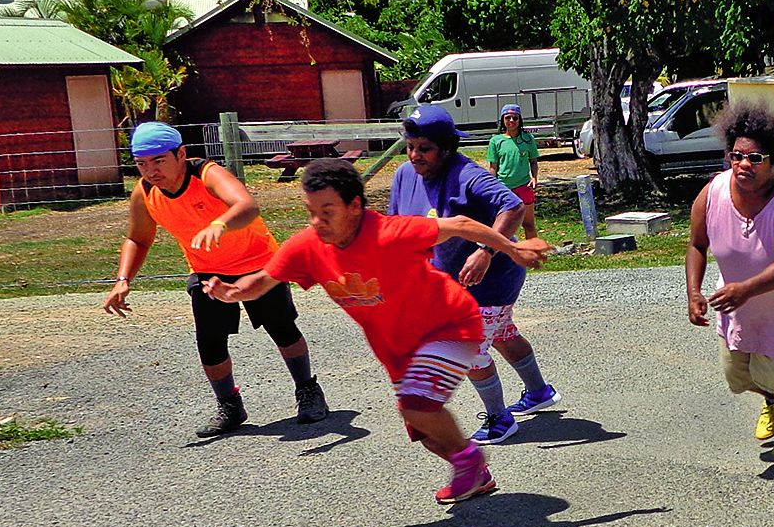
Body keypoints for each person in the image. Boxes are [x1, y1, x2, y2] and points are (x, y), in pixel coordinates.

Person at [208, 158, 550, 504]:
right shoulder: (307, 247)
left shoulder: (389, 233)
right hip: (396, 348)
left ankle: (470, 459)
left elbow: (461, 224)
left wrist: (512, 248)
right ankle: (476, 475)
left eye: (327, 212)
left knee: (417, 407)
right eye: (310, 211)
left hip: (447, 325)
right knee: (426, 432)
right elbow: (264, 279)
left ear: (354, 206)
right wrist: (234, 292)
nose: (316, 222)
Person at [103, 120, 327, 436]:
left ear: (181, 154)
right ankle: (229, 406)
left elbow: (247, 206)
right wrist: (123, 279)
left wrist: (219, 224)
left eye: (159, 161)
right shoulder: (145, 192)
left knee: (282, 328)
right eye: (141, 164)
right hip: (207, 272)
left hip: (258, 263)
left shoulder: (207, 174)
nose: (151, 171)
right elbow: (137, 239)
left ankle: (308, 390)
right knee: (209, 342)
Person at [388, 104, 562, 446]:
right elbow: (397, 226)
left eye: (424, 148)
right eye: (410, 146)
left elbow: (513, 206)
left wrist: (485, 251)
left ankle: (499, 419)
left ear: (446, 148)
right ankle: (539, 392)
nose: (415, 155)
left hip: (492, 278)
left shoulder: (467, 175)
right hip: (449, 281)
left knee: (468, 349)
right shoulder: (405, 176)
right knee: (502, 333)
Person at [684, 105, 774, 471]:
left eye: (755, 158)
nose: (743, 164)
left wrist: (745, 289)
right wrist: (694, 292)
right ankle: (771, 401)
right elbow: (697, 244)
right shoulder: (713, 192)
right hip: (737, 306)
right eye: (736, 156)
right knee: (737, 377)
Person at [486, 103, 541, 239]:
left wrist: (534, 178)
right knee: (503, 227)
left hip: (524, 186)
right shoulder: (495, 141)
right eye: (508, 118)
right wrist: (492, 186)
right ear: (503, 120)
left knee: (529, 225)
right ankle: (505, 252)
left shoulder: (528, 139)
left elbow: (533, 161)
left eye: (515, 118)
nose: (511, 121)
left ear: (519, 120)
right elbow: (493, 167)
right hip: (504, 188)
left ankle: (532, 250)